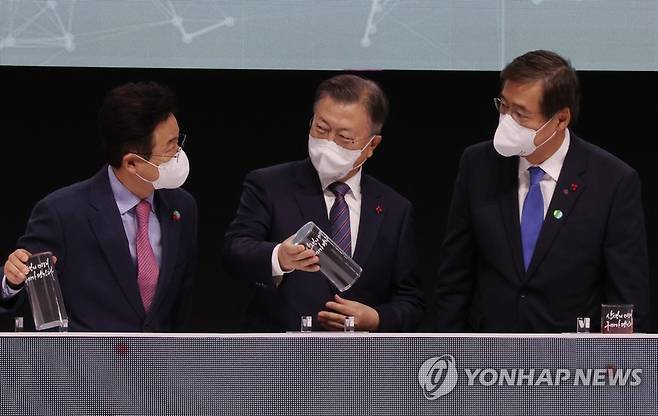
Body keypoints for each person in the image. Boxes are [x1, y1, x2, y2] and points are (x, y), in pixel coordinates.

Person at [434, 50, 650, 333]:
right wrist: (448, 350)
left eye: (520, 114)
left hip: (574, 356)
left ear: (561, 119)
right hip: (489, 353)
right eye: (504, 106)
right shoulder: (477, 165)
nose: (507, 121)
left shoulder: (612, 181)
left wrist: (618, 357)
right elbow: (454, 278)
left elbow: (627, 297)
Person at [223, 74, 424, 332]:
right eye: (321, 128)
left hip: (359, 354)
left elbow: (411, 300)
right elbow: (234, 252)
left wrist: (376, 318)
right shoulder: (269, 185)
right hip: (280, 351)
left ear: (372, 144)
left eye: (345, 137)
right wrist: (279, 256)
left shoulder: (395, 209)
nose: (329, 143)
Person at [1, 82, 198, 331]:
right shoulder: (62, 213)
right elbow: (25, 282)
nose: (179, 152)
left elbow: (180, 303)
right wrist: (12, 281)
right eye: (170, 146)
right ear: (132, 163)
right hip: (86, 356)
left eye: (178, 140)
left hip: (158, 356)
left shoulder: (182, 207)